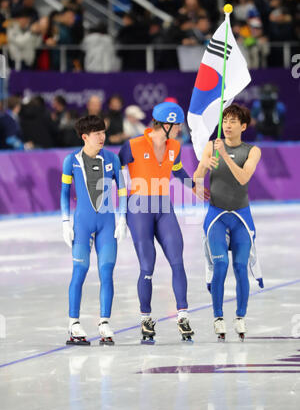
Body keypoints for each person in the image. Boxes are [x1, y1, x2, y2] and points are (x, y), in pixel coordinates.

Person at [119, 102, 201, 343]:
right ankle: (146, 318)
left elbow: (178, 171)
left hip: (164, 208)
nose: (179, 129)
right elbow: (114, 170)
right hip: (139, 209)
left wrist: (194, 187)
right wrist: (119, 211)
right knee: (148, 266)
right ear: (165, 124)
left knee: (177, 260)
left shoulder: (174, 146)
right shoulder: (133, 145)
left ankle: (183, 315)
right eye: (177, 125)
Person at [193, 104, 263, 342]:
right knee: (220, 265)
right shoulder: (212, 145)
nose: (227, 125)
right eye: (225, 121)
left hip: (242, 217)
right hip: (217, 216)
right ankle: (218, 317)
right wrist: (204, 166)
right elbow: (197, 178)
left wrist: (223, 156)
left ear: (243, 126)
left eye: (233, 121)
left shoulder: (252, 151)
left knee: (241, 267)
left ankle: (240, 316)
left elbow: (243, 178)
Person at [61, 115, 127, 346]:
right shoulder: (71, 160)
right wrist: (64, 223)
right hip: (82, 223)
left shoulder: (112, 158)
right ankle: (73, 322)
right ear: (85, 137)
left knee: (106, 271)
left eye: (103, 132)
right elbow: (64, 194)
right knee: (80, 269)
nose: (102, 137)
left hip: (108, 223)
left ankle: (104, 321)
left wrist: (122, 219)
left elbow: (122, 190)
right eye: (97, 134)